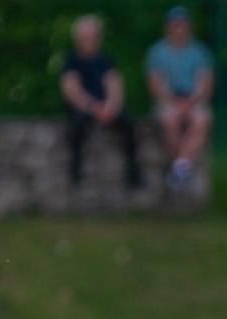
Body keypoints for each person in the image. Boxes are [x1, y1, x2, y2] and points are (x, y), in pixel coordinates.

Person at [60, 14, 142, 190]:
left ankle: (134, 174)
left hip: (106, 107)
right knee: (77, 125)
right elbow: (71, 89)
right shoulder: (71, 60)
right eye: (85, 36)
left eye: (92, 36)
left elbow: (114, 84)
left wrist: (111, 106)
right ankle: (75, 173)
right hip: (84, 108)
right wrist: (92, 107)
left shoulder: (105, 59)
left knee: (129, 122)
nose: (89, 40)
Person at [146, 5, 213, 189]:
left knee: (202, 119)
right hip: (169, 100)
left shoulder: (199, 52)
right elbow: (156, 85)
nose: (179, 28)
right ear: (168, 26)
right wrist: (175, 102)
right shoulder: (157, 52)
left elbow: (204, 84)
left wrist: (190, 101)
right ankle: (182, 167)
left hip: (193, 100)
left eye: (182, 24)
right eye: (175, 24)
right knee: (169, 120)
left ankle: (177, 168)